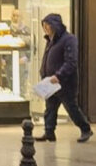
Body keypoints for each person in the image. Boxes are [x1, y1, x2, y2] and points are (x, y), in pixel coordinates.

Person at [37, 13, 93, 143]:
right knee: (50, 108)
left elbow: (71, 62)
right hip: (50, 82)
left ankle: (85, 129)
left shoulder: (69, 39)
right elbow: (47, 59)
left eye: (48, 26)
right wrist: (43, 73)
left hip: (65, 82)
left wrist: (59, 75)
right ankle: (49, 132)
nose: (45, 29)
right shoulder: (50, 40)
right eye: (44, 26)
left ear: (55, 26)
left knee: (71, 108)